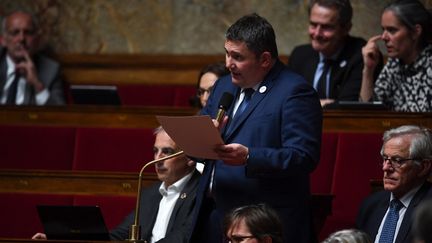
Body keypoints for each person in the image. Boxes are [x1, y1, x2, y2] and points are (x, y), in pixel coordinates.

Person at [190, 13, 322, 243]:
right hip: (217, 217)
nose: (228, 63)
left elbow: (304, 156)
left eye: (237, 57)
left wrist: (250, 156)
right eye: (227, 53)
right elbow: (196, 147)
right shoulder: (222, 86)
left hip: (264, 225)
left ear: (264, 59)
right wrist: (202, 138)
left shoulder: (295, 92)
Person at [32, 126, 200, 242]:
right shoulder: (151, 194)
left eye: (167, 152)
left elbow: (184, 236)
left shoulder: (200, 191)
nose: (158, 159)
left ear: (190, 158)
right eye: (155, 151)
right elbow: (122, 234)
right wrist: (61, 239)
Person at [288, 0, 382, 107]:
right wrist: (323, 103)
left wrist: (304, 103)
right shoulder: (300, 55)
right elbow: (285, 100)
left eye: (326, 27)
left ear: (346, 28)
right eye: (313, 25)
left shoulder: (362, 56)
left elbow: (350, 107)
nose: (317, 33)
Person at [356, 125, 432, 243]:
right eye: (385, 158)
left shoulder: (428, 211)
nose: (385, 168)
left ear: (423, 167)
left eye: (397, 160)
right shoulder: (370, 205)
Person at [359, 0, 432, 112]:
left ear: (415, 32)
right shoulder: (394, 64)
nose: (383, 37)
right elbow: (368, 113)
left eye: (392, 30)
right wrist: (368, 70)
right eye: (383, 30)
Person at [0, 10, 65, 105]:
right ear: (3, 40)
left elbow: (60, 115)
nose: (21, 39)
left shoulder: (51, 70)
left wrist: (37, 84)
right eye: (15, 33)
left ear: (37, 40)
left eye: (28, 33)